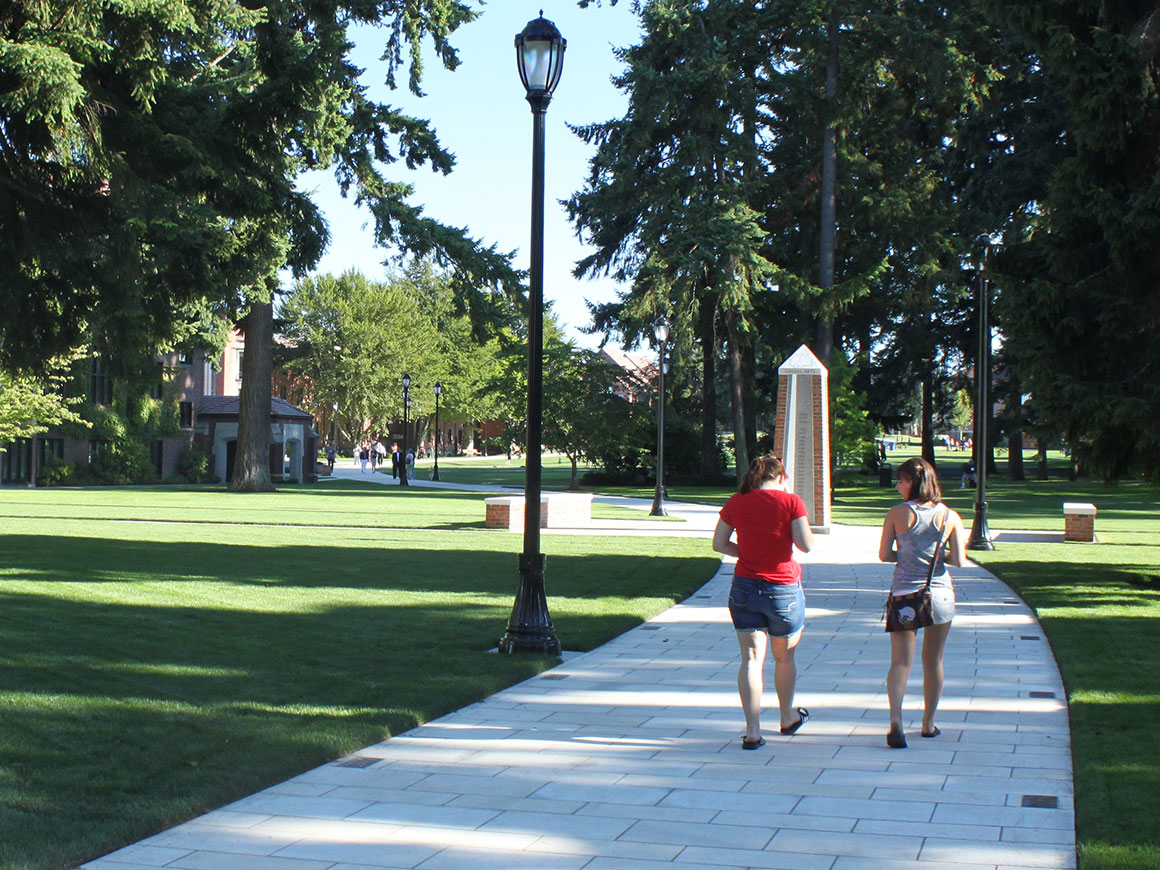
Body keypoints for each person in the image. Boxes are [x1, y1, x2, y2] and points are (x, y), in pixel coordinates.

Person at [713, 455, 815, 749]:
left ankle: (753, 731)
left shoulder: (737, 501)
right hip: (783, 589)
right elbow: (806, 545)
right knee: (784, 657)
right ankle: (787, 717)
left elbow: (719, 543)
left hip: (745, 587)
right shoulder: (791, 502)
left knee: (751, 659)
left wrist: (747, 553)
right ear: (781, 477)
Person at [878, 457, 968, 748]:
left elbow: (884, 555)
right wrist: (938, 557)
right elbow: (959, 561)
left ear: (913, 483)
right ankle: (928, 724)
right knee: (933, 661)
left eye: (901, 481)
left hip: (904, 596)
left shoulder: (897, 514)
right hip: (939, 594)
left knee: (900, 663)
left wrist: (905, 557)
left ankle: (895, 721)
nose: (897, 486)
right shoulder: (950, 516)